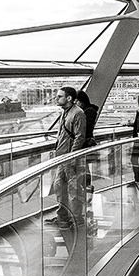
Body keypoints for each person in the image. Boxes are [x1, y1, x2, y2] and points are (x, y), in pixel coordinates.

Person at [50, 86, 87, 229]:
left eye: (59, 96)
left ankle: (76, 219)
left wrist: (72, 156)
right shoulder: (66, 113)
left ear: (69, 98)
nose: (56, 98)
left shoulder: (78, 113)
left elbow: (79, 137)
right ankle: (63, 216)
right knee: (59, 186)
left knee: (73, 189)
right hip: (63, 157)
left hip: (70, 158)